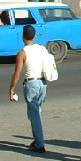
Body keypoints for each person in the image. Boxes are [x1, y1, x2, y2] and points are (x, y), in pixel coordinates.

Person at [9, 25, 50, 153]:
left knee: (35, 114)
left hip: (31, 84)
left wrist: (12, 89)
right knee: (35, 112)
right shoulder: (42, 48)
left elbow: (17, 73)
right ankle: (37, 138)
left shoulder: (23, 52)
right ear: (34, 36)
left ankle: (40, 143)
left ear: (23, 37)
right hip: (43, 83)